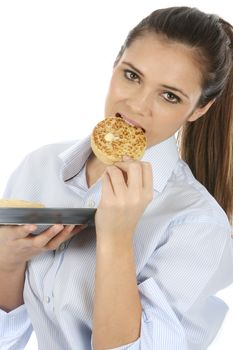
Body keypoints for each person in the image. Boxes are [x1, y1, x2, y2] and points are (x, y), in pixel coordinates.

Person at [0, 6, 233, 350]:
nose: (138, 105)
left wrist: (117, 238)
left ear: (199, 109)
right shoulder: (41, 166)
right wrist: (8, 261)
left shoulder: (197, 224)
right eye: (132, 76)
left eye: (170, 96)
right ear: (115, 64)